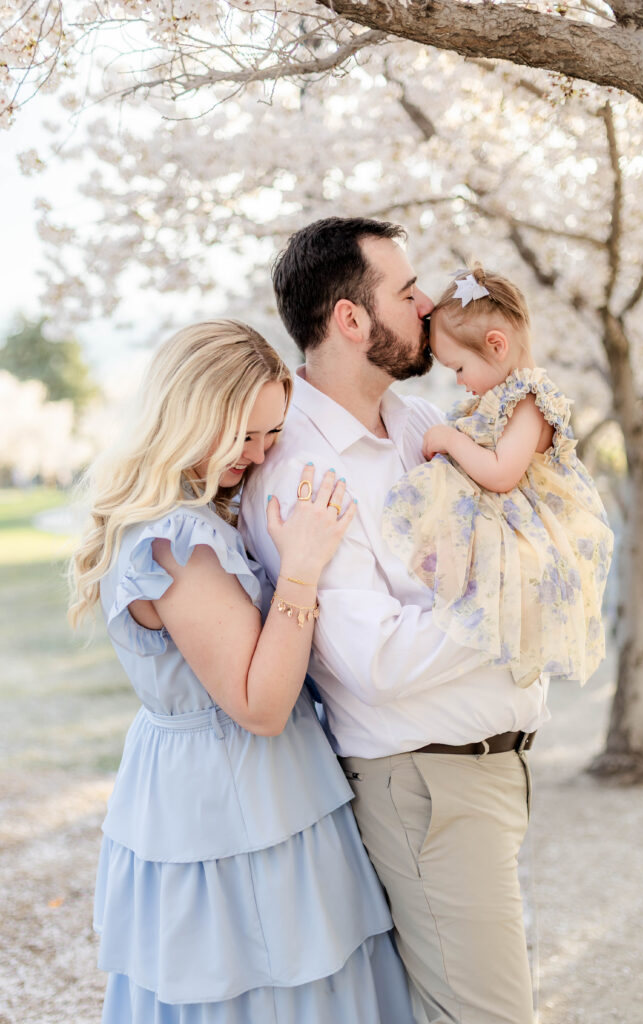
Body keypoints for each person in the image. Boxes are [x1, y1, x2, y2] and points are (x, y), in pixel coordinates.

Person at [240, 219, 548, 1024]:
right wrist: (518, 602)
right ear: (351, 320)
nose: (428, 304)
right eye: (407, 292)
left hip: (484, 773)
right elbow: (372, 660)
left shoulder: (415, 426)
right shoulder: (302, 468)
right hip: (428, 785)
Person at [68, 319, 415, 1024]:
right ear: (189, 414)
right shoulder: (177, 542)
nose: (256, 456)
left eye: (270, 435)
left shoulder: (193, 515)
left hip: (234, 782)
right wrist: (305, 569)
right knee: (269, 986)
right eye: (242, 435)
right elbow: (257, 705)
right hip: (235, 797)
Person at [383, 266, 614, 689]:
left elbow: (502, 473)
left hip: (537, 523)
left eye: (458, 367)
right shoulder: (503, 397)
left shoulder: (528, 400)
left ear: (496, 345)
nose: (458, 382)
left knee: (513, 579)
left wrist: (451, 440)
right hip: (513, 513)